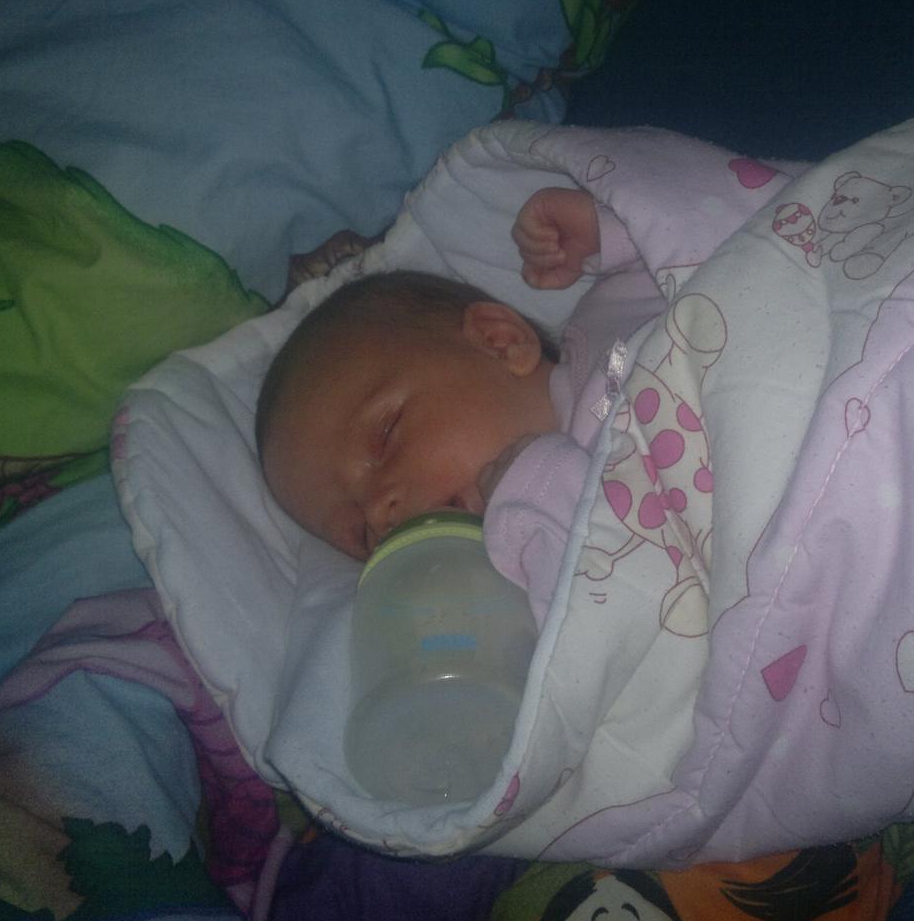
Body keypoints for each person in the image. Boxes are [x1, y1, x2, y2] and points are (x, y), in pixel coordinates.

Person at [255, 185, 683, 617]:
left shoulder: (615, 334)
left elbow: (709, 244)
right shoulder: (535, 608)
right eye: (361, 535)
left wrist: (610, 230)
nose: (381, 514)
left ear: (499, 342)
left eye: (386, 435)